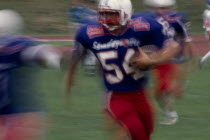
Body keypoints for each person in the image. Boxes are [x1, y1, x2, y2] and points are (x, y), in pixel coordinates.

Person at [65, 0, 180, 139]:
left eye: (112, 15)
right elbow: (76, 54)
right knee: (136, 131)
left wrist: (153, 60)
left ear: (126, 14)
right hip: (115, 95)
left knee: (147, 131)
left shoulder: (145, 26)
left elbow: (174, 47)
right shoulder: (89, 32)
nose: (107, 19)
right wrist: (70, 77)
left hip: (140, 93)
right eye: (104, 14)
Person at [0, 9, 62, 140]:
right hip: (25, 116)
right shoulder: (18, 44)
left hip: (19, 116)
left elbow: (38, 52)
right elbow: (41, 52)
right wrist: (52, 58)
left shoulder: (15, 45)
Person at [140, 0, 193, 125]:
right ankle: (169, 106)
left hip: (167, 57)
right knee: (156, 91)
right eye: (158, 8)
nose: (160, 10)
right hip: (152, 57)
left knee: (161, 89)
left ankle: (171, 110)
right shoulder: (146, 19)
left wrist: (188, 55)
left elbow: (185, 38)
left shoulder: (174, 20)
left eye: (163, 7)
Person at [67, 0, 98, 75]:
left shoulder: (88, 11)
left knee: (86, 49)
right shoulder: (83, 10)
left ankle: (89, 66)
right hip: (84, 30)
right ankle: (88, 66)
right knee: (85, 49)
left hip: (87, 31)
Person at [200, 0, 210, 67]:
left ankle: (202, 60)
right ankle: (202, 60)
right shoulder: (208, 13)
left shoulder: (206, 12)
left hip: (207, 30)